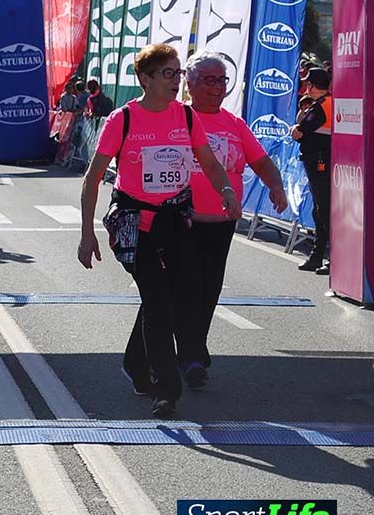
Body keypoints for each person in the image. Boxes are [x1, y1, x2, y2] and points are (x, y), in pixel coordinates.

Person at [77, 43, 239, 418]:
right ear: (145, 78)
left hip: (175, 218)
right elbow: (93, 177)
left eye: (178, 73)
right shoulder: (123, 119)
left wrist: (226, 191)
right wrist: (87, 233)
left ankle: (136, 364)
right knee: (155, 299)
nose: (175, 80)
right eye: (168, 73)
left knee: (179, 295)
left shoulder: (186, 115)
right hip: (135, 221)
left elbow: (210, 163)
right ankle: (166, 390)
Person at [123, 51, 288, 391]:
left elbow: (261, 162)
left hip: (220, 223)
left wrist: (276, 185)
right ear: (191, 83)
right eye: (209, 80)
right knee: (167, 294)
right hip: (178, 220)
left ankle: (191, 356)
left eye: (222, 80)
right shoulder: (177, 117)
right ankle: (144, 361)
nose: (217, 88)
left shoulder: (234, 124)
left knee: (206, 292)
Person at [291, 67, 333, 275]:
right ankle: (318, 257)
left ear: (312, 85)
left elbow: (300, 131)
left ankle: (331, 258)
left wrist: (294, 129)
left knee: (323, 210)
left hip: (319, 163)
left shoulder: (320, 106)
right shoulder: (328, 103)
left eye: (308, 83)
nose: (306, 86)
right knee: (320, 210)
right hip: (323, 161)